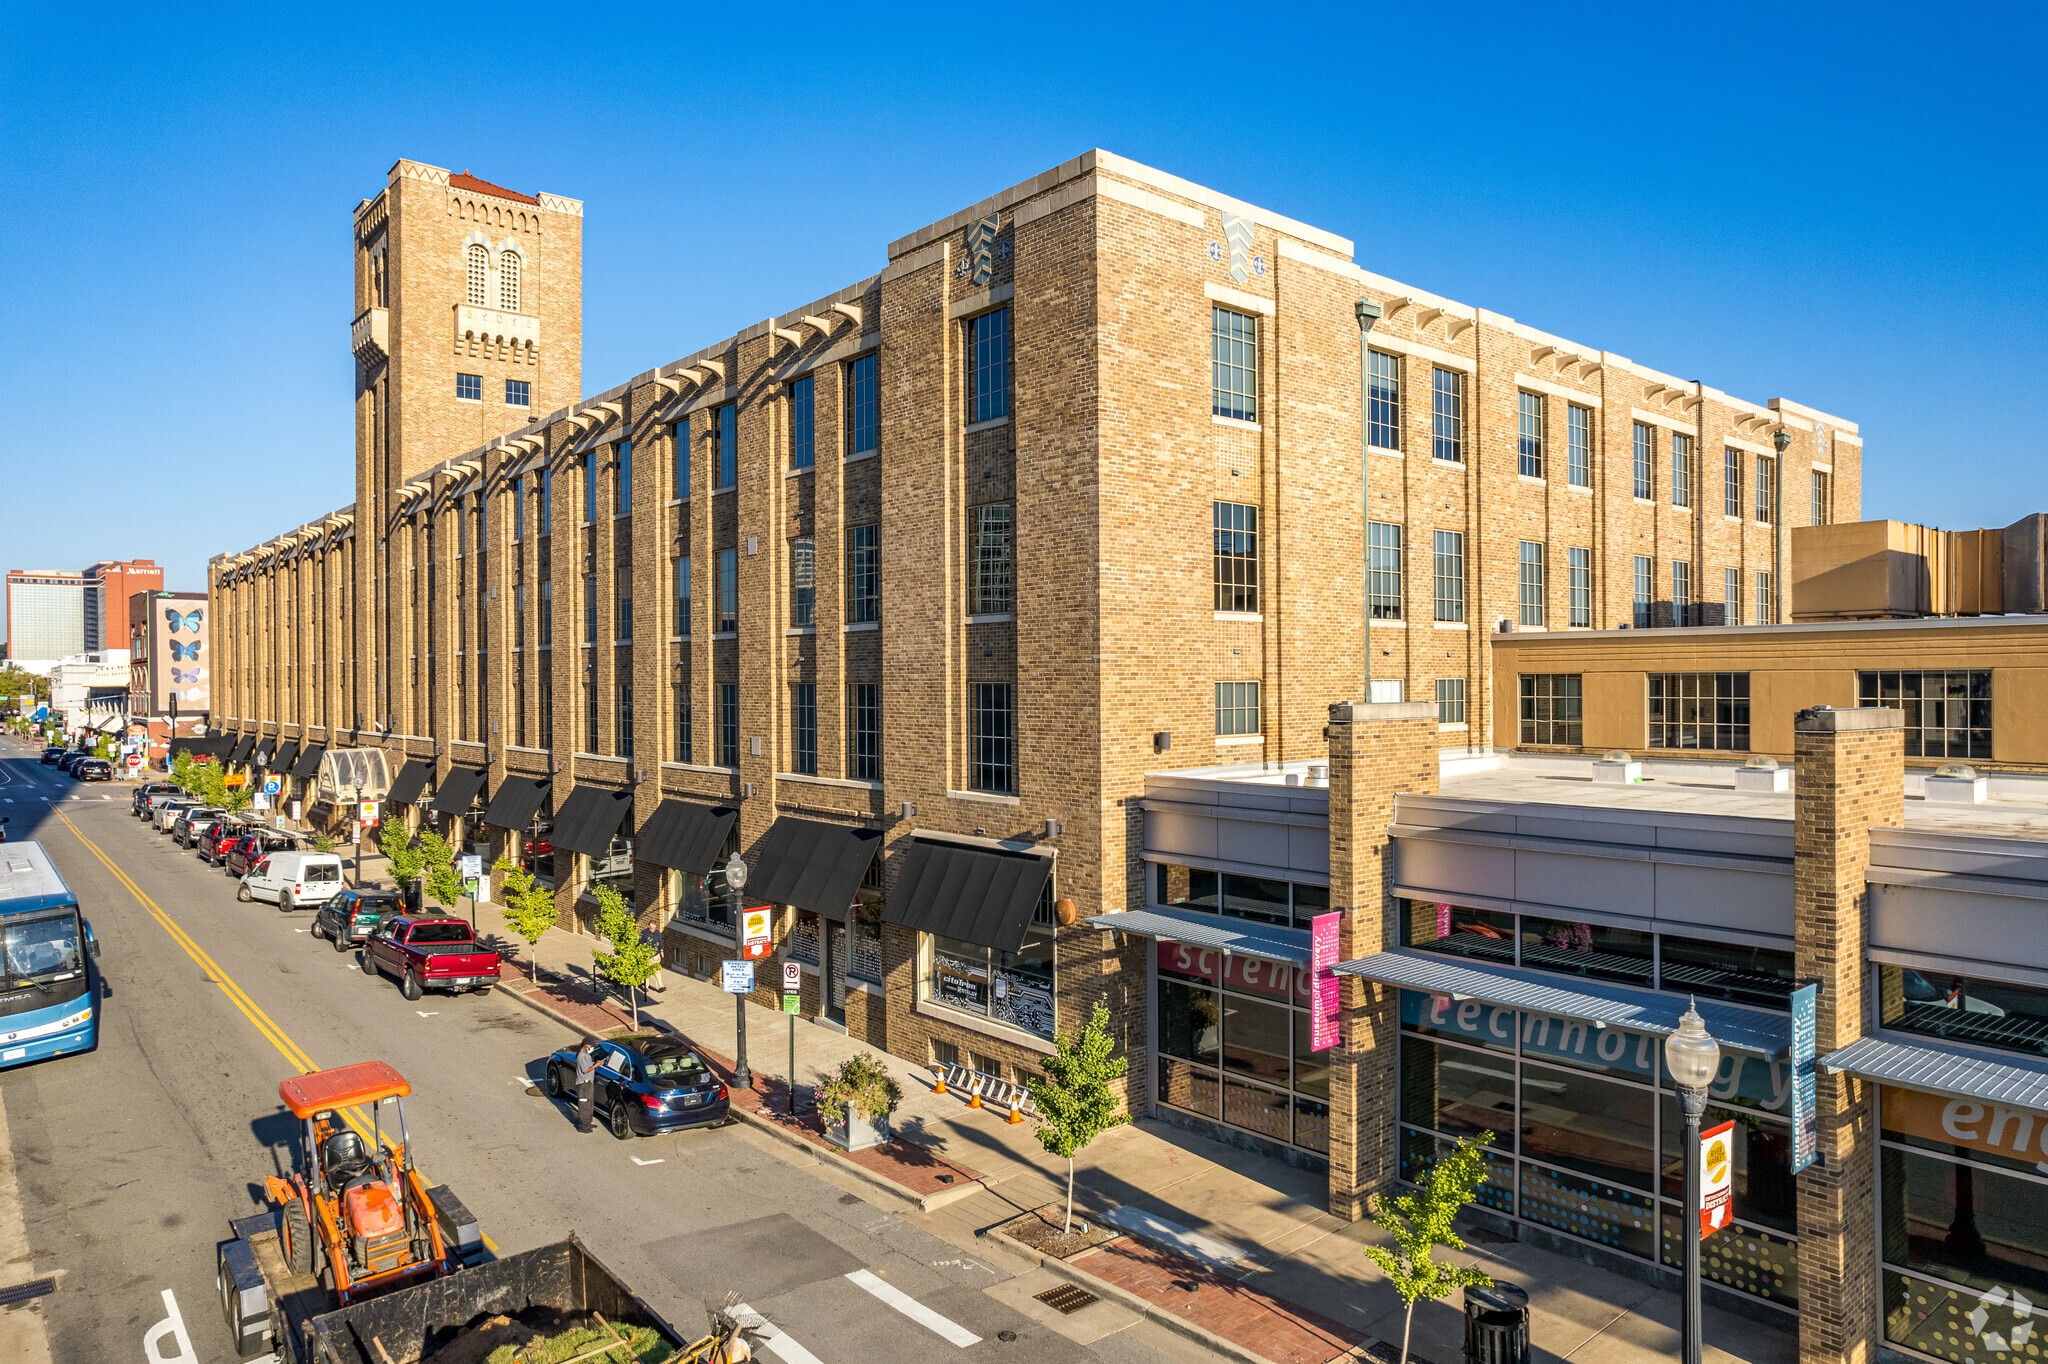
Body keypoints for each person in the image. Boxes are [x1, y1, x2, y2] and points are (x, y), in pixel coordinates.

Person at [575, 1039, 599, 1133]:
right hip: (583, 1083)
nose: (591, 1048)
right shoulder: (581, 1055)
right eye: (590, 1046)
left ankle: (588, 1122)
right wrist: (596, 1065)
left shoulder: (586, 1055)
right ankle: (583, 1126)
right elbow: (585, 1070)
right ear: (586, 1045)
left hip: (588, 1082)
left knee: (589, 1103)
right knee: (584, 1104)